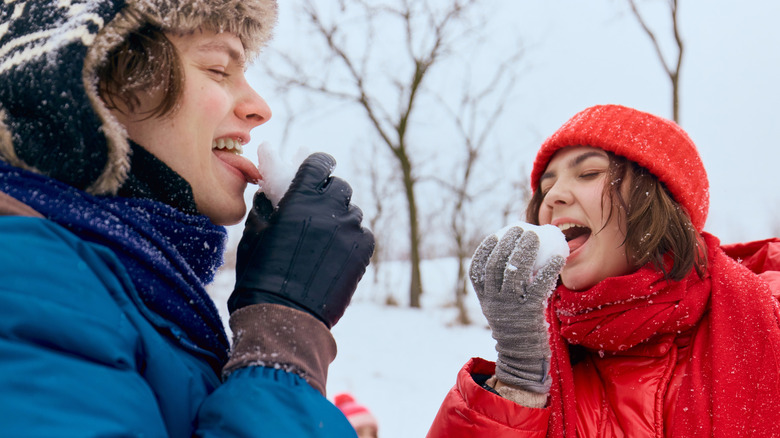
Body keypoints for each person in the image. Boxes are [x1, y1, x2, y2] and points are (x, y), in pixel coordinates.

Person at [0, 0, 373, 436]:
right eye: (218, 68)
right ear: (91, 87)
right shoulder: (22, 277)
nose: (260, 106)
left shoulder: (132, 291)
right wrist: (282, 338)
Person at [427, 104, 780, 437]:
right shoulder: (537, 364)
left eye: (589, 173)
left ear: (657, 198)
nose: (553, 197)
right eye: (546, 187)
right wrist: (517, 383)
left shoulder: (767, 320)